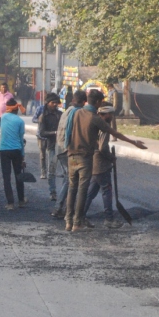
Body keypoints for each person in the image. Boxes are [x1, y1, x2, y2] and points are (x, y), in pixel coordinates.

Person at [65, 89, 144, 231]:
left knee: (72, 188)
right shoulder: (94, 118)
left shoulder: (75, 113)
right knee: (83, 190)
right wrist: (134, 143)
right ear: (97, 102)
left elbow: (68, 132)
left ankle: (68, 222)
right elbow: (115, 133)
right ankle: (77, 223)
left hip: (71, 156)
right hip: (85, 159)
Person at [50, 90, 85, 220]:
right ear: (82, 102)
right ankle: (60, 208)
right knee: (70, 179)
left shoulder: (68, 111)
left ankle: (63, 208)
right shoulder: (76, 112)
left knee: (69, 178)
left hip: (60, 147)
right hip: (66, 149)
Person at [0, 98, 28, 209]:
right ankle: (21, 201)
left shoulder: (3, 118)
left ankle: (10, 203)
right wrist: (23, 156)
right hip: (16, 150)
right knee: (19, 176)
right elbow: (21, 139)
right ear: (17, 110)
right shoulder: (20, 121)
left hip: (4, 150)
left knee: (6, 177)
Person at [33, 93, 62, 199]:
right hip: (50, 144)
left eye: (56, 103)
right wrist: (55, 132)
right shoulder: (43, 116)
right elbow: (42, 132)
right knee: (51, 169)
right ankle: (52, 191)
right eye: (52, 102)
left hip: (60, 145)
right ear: (48, 103)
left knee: (65, 171)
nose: (55, 104)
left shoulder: (60, 114)